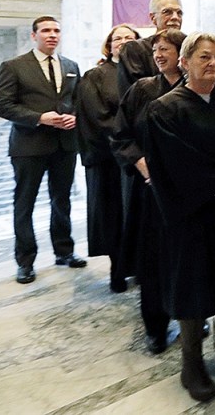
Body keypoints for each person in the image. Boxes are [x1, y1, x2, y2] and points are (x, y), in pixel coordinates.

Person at [144, 32, 215, 402]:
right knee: (193, 284)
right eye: (204, 57)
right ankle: (191, 364)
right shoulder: (165, 108)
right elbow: (172, 160)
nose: (212, 63)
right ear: (186, 61)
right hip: (191, 213)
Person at [0, 16, 86, 284]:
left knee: (62, 200)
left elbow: (77, 100)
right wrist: (38, 117)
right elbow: (1, 104)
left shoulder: (71, 66)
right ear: (34, 36)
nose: (52, 35)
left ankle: (64, 252)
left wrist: (75, 116)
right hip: (28, 145)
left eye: (57, 30)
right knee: (25, 204)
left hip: (64, 144)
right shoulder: (14, 66)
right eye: (46, 30)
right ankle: (25, 262)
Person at [111, 29, 185, 354]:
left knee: (186, 260)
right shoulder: (142, 90)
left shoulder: (197, 89)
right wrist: (140, 163)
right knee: (153, 261)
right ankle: (155, 327)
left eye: (166, 49)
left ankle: (189, 315)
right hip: (151, 193)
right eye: (156, 49)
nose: (158, 54)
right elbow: (120, 135)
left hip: (187, 193)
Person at [75, 23, 139, 293]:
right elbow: (98, 118)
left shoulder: (143, 74)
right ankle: (117, 269)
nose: (123, 41)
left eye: (129, 38)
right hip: (111, 160)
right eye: (117, 38)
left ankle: (138, 266)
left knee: (137, 217)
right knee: (113, 215)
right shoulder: (96, 76)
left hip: (139, 159)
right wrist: (127, 146)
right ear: (109, 44)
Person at [118, 0, 183, 96]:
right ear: (153, 18)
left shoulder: (190, 47)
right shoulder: (135, 50)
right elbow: (135, 95)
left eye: (179, 13)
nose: (175, 17)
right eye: (167, 12)